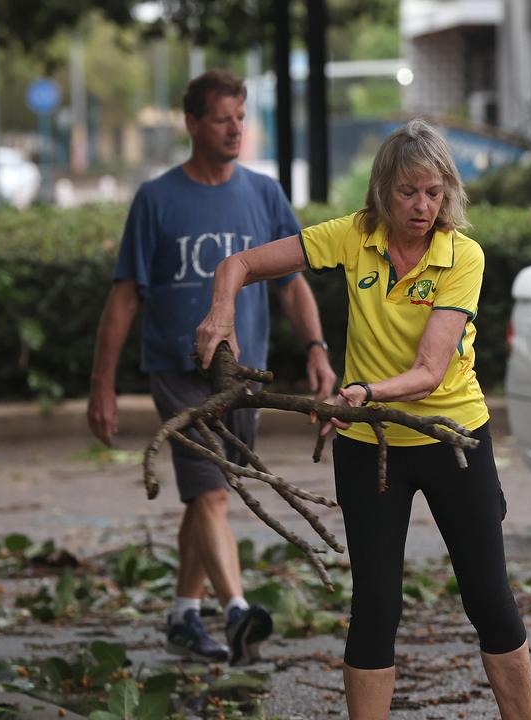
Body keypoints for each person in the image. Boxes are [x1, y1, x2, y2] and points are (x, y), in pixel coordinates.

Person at [194, 119, 531, 719]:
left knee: (488, 599)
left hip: (451, 434)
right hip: (369, 442)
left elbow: (430, 370)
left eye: (433, 192)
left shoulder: (463, 256)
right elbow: (239, 265)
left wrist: (362, 391)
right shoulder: (357, 236)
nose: (422, 206)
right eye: (409, 193)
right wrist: (221, 313)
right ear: (384, 191)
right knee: (376, 606)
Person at [87, 70, 337, 665]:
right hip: (179, 371)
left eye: (241, 118)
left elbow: (293, 286)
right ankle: (236, 611)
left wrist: (317, 349)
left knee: (211, 495)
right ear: (192, 123)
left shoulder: (263, 193)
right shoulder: (156, 200)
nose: (234, 129)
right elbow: (124, 297)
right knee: (213, 497)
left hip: (243, 376)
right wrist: (102, 385)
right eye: (222, 119)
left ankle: (182, 614)